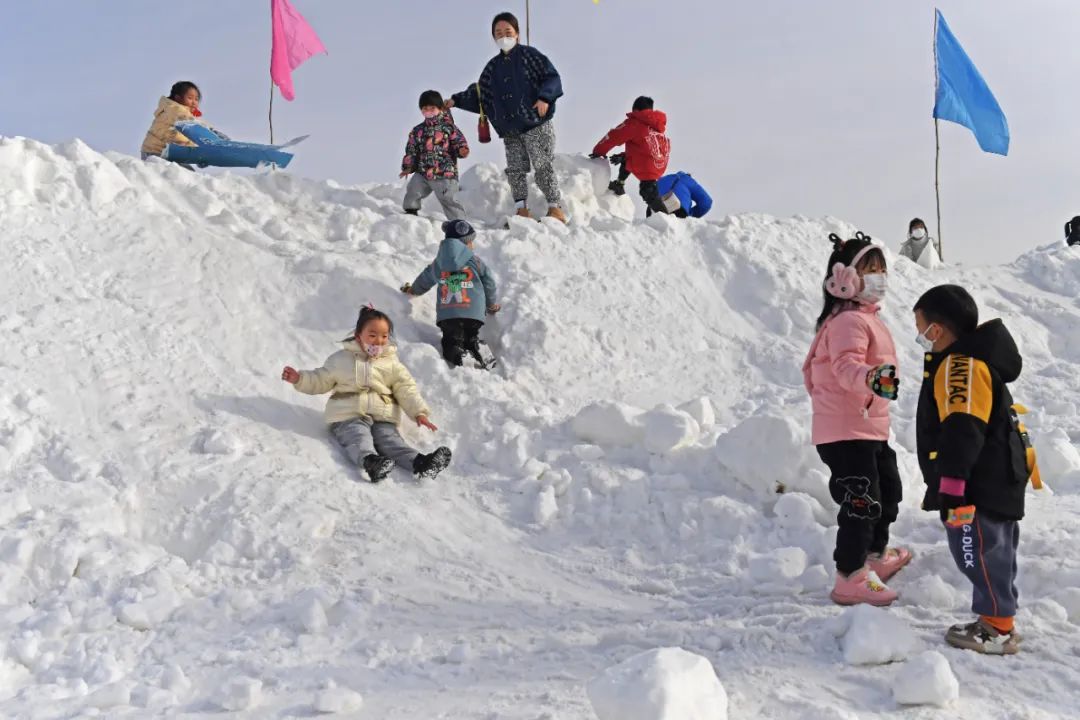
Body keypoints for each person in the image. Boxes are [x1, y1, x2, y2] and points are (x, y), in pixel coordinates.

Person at [913, 285, 1033, 654]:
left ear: (938, 329)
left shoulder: (959, 365)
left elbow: (963, 427)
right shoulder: (972, 361)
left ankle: (996, 629)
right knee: (994, 550)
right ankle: (998, 619)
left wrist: (951, 484)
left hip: (976, 482)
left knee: (978, 551)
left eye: (921, 327)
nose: (920, 337)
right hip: (996, 477)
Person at [802, 232, 912, 606]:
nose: (880, 277)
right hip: (846, 431)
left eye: (882, 269)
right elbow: (847, 365)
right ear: (845, 278)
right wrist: (869, 378)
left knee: (888, 492)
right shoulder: (848, 321)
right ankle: (850, 575)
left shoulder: (865, 317)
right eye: (871, 270)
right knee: (861, 502)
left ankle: (873, 557)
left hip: (867, 427)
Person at [281, 307, 452, 483]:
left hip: (382, 415)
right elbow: (321, 379)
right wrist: (300, 378)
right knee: (358, 437)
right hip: (349, 414)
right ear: (358, 336)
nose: (379, 341)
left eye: (384, 336)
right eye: (372, 335)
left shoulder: (391, 363)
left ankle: (421, 464)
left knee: (391, 441)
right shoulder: (341, 359)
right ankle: (371, 462)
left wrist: (419, 412)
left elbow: (405, 387)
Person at [446, 11, 567, 223]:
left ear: (517, 34)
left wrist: (545, 98)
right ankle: (521, 209)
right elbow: (481, 93)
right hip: (510, 129)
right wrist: (456, 100)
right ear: (494, 37)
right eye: (498, 33)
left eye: (508, 32)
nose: (504, 36)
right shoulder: (492, 67)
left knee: (542, 165)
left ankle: (554, 207)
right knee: (515, 170)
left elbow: (551, 77)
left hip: (535, 123)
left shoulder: (531, 55)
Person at [402, 220, 499, 368]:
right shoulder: (475, 261)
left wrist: (413, 290)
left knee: (451, 341)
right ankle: (475, 344)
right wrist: (491, 304)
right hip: (473, 312)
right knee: (470, 334)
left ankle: (458, 353)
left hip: (449, 314)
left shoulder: (440, 262)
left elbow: (426, 278)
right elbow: (489, 281)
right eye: (470, 242)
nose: (472, 246)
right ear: (464, 243)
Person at [590, 96, 671, 215]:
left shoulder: (635, 122)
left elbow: (613, 136)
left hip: (648, 167)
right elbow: (646, 147)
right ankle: (619, 183)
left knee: (647, 192)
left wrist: (598, 151)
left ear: (635, 110)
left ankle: (667, 219)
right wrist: (623, 155)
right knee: (626, 157)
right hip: (658, 164)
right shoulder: (657, 126)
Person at [401, 90, 470, 220]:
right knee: (413, 190)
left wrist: (462, 149)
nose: (428, 111)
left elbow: (459, 141)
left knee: (449, 198)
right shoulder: (418, 130)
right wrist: (408, 166)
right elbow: (411, 149)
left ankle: (459, 222)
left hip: (444, 172)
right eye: (425, 109)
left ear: (439, 108)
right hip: (423, 171)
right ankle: (411, 211)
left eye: (432, 108)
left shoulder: (449, 127)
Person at [141, 81, 206, 169]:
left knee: (188, 172)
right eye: (190, 98)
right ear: (178, 98)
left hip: (160, 153)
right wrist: (210, 136)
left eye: (196, 99)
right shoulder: (175, 110)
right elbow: (193, 126)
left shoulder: (177, 112)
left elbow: (184, 138)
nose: (194, 102)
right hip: (156, 153)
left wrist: (199, 155)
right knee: (185, 173)